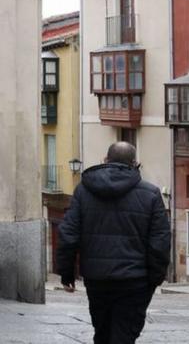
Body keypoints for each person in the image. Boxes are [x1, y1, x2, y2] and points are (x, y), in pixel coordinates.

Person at [56, 142, 171, 344]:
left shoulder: (83, 190)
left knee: (102, 332)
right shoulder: (151, 194)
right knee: (125, 335)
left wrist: (67, 273)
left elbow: (68, 234)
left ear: (105, 160)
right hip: (135, 280)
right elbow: (159, 242)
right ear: (136, 164)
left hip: (97, 278)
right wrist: (155, 278)